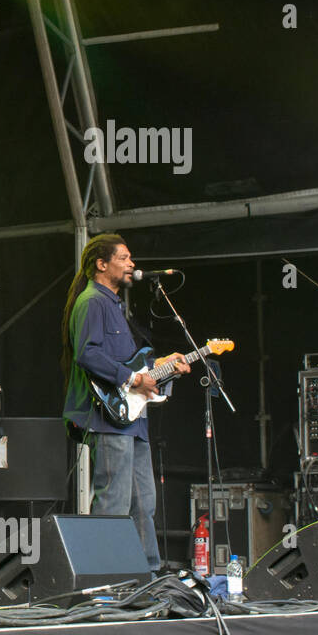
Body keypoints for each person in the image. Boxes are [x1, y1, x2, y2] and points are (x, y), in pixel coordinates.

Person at [61, 233, 190, 572]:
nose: (132, 264)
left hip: (132, 420)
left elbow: (129, 360)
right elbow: (87, 354)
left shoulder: (116, 305)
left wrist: (164, 364)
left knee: (143, 502)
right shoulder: (92, 301)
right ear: (101, 265)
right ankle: (103, 577)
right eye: (124, 257)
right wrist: (135, 379)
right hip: (108, 417)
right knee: (114, 501)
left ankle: (146, 576)